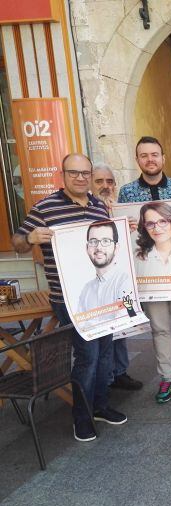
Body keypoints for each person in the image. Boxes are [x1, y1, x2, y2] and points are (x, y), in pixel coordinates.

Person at [12, 153, 127, 442]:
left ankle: (99, 406)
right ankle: (82, 417)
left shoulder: (100, 206)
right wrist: (30, 238)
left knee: (105, 353)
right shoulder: (45, 207)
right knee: (87, 356)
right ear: (62, 175)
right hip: (68, 297)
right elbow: (17, 242)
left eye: (85, 173)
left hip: (101, 294)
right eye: (73, 172)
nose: (80, 177)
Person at [118, 136, 171, 404]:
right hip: (149, 273)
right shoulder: (127, 193)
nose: (150, 159)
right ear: (137, 160)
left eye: (154, 154)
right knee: (159, 328)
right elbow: (123, 236)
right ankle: (167, 377)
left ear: (163, 158)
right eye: (144, 155)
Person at [91, 164, 143, 391]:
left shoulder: (119, 208)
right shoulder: (89, 208)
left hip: (117, 278)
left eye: (110, 181)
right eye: (100, 181)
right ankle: (103, 378)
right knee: (99, 333)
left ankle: (119, 372)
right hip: (94, 280)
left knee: (120, 327)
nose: (105, 186)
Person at [78, 220, 136, 327]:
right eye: (93, 241)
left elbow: (127, 318)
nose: (99, 247)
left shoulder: (126, 281)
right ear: (87, 248)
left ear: (116, 248)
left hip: (115, 338)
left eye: (106, 241)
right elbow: (81, 324)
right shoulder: (86, 289)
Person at [135, 201, 171, 280]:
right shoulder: (138, 257)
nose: (157, 229)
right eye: (150, 224)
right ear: (145, 228)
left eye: (163, 221)